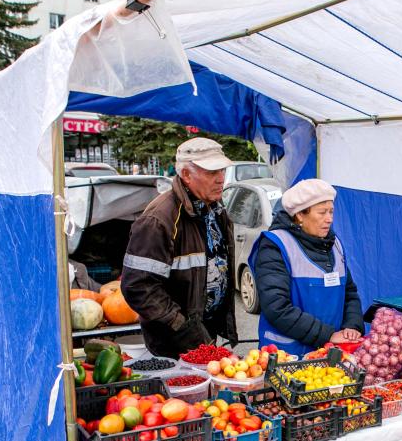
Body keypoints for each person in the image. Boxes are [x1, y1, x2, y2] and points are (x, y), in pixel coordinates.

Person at [121, 138, 238, 358]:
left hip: (205, 331)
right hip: (174, 341)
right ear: (186, 175)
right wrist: (181, 325)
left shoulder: (216, 210)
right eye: (212, 172)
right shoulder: (159, 219)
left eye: (222, 170)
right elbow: (138, 287)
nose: (221, 178)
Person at [250, 179, 364, 356]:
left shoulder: (335, 245)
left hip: (330, 353)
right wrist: (328, 335)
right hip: (287, 356)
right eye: (322, 213)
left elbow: (349, 294)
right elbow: (277, 307)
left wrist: (352, 325)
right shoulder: (275, 245)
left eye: (331, 212)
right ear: (300, 215)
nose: (329, 219)